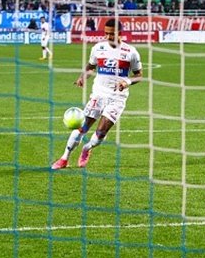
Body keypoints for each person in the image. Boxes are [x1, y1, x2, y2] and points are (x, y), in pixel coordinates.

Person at [51, 18, 143, 170]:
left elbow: (139, 75)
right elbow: (90, 66)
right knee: (82, 127)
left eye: (112, 34)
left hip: (117, 98)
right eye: (106, 33)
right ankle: (64, 158)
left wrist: (127, 82)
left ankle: (87, 148)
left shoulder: (130, 52)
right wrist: (82, 77)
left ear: (120, 33)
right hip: (98, 94)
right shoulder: (98, 48)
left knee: (100, 133)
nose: (108, 37)